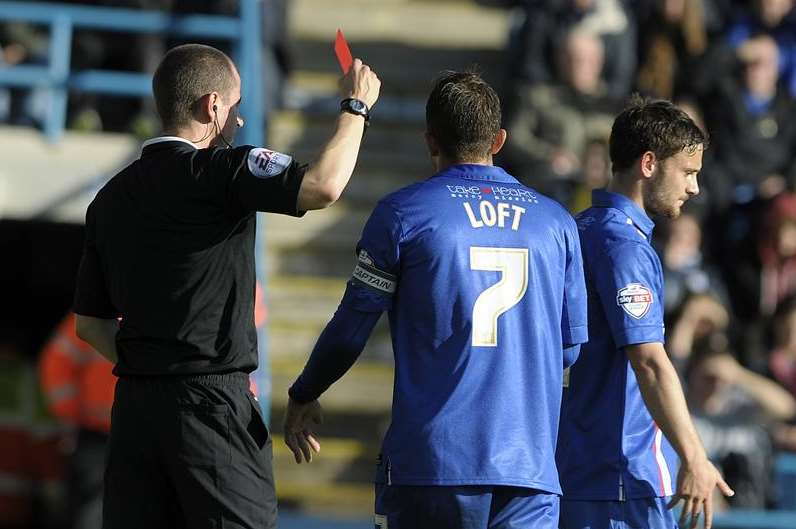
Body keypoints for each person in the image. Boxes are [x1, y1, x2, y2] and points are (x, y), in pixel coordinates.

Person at [72, 43, 380, 529]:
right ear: (212, 106)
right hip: (211, 405)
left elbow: (90, 324)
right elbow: (324, 185)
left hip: (134, 408)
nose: (238, 122)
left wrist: (155, 365)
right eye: (234, 108)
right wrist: (355, 107)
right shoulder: (223, 170)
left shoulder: (109, 198)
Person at [283, 71, 589, 529]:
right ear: (500, 140)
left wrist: (305, 392)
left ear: (430, 141)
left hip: (431, 466)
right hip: (529, 472)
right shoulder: (557, 223)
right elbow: (569, 348)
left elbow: (352, 329)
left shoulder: (403, 214)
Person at [556, 95, 734, 529]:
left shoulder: (575, 229)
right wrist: (694, 456)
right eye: (688, 172)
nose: (694, 188)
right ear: (649, 163)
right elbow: (649, 361)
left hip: (573, 466)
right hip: (623, 474)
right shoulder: (626, 247)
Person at [39, 312, 117, 529]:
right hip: (98, 435)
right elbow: (56, 365)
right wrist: (73, 416)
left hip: (131, 433)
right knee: (96, 508)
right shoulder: (94, 312)